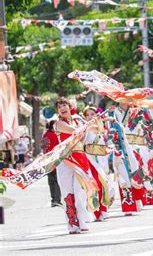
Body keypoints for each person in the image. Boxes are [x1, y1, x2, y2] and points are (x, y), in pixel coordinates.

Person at [54, 97, 98, 234]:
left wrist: (95, 123)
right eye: (59, 106)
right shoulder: (58, 123)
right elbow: (74, 131)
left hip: (80, 158)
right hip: (65, 160)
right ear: (58, 111)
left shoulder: (78, 119)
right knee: (68, 193)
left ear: (69, 106)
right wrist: (85, 126)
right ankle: (72, 224)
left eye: (64, 105)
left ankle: (83, 220)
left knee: (81, 191)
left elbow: (92, 133)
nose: (62, 108)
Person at [41, 120, 62, 207]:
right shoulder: (54, 135)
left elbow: (43, 146)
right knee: (57, 180)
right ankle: (57, 199)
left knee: (51, 180)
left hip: (46, 159)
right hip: (54, 159)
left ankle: (53, 199)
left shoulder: (45, 134)